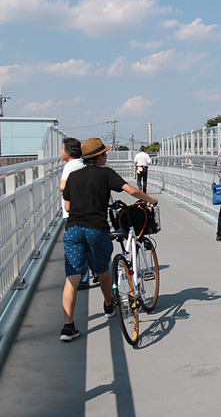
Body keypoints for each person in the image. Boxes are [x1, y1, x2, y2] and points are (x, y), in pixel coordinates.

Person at [60, 137, 158, 342]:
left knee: (72, 277)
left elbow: (67, 206)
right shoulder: (105, 173)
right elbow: (131, 190)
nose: (106, 157)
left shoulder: (73, 176)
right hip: (96, 229)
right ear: (99, 157)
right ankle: (108, 306)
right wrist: (151, 199)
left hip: (73, 229)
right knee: (103, 270)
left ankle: (68, 326)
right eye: (104, 154)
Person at [59, 137, 95, 290]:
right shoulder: (83, 164)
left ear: (68, 152)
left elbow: (63, 186)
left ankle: (82, 279)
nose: (60, 152)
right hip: (87, 211)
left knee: (78, 248)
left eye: (62, 149)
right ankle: (98, 271)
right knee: (89, 245)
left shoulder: (69, 166)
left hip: (72, 213)